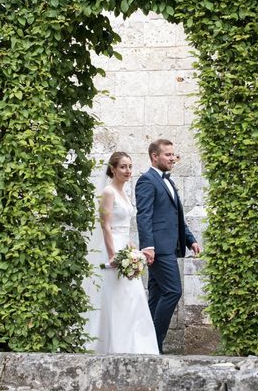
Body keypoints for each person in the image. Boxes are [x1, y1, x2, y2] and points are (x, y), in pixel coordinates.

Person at [83, 151, 159, 354]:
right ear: (113, 169)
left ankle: (136, 346)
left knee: (133, 297)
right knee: (117, 298)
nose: (128, 171)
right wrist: (112, 255)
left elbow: (123, 225)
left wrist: (132, 246)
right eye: (123, 167)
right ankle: (114, 346)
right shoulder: (108, 192)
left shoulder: (125, 192)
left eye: (130, 167)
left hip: (126, 247)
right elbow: (106, 226)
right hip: (113, 249)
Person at [135, 139, 201, 354]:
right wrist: (148, 247)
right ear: (155, 156)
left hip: (169, 247)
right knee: (173, 291)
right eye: (168, 155)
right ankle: (155, 343)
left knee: (155, 296)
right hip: (158, 249)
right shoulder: (147, 181)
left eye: (173, 154)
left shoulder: (168, 182)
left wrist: (190, 239)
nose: (173, 158)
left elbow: (176, 216)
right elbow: (144, 216)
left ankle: (146, 346)